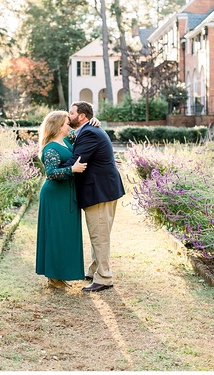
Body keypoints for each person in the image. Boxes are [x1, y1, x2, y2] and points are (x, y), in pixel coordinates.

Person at [61, 101, 125, 293]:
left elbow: (76, 161)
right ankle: (95, 270)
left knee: (100, 235)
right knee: (99, 233)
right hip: (103, 190)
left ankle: (104, 278)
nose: (68, 116)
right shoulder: (87, 129)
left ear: (82, 116)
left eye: (71, 113)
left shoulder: (89, 132)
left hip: (100, 192)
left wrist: (53, 163)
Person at [35, 110, 88, 289]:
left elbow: (82, 131)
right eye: (66, 123)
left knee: (66, 233)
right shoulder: (50, 148)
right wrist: (72, 170)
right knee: (55, 234)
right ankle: (54, 277)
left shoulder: (66, 140)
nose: (69, 125)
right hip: (55, 195)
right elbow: (50, 173)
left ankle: (60, 274)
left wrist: (93, 120)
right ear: (58, 127)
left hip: (67, 193)